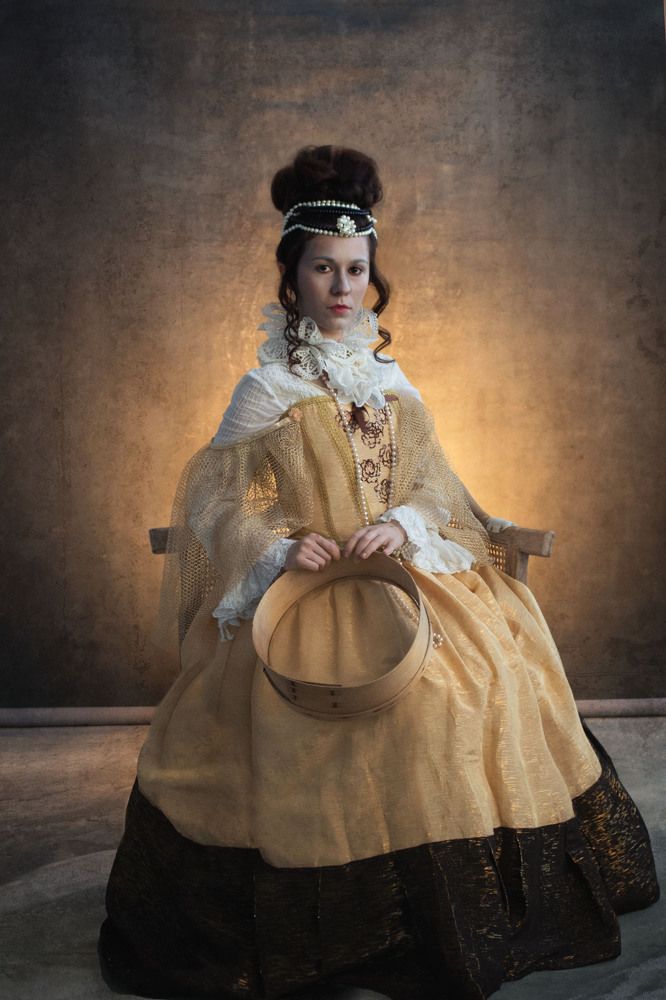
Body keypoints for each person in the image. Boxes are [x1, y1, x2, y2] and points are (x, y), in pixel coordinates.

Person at [98, 144, 660, 1000]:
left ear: (372, 275)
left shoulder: (393, 381)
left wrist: (403, 523)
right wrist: (278, 545)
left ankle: (446, 906)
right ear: (293, 277)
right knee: (337, 711)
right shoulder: (269, 385)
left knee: (477, 680)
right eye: (323, 268)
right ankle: (345, 915)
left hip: (401, 570)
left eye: (356, 269)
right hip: (311, 587)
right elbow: (214, 498)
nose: (342, 286)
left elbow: (436, 487)